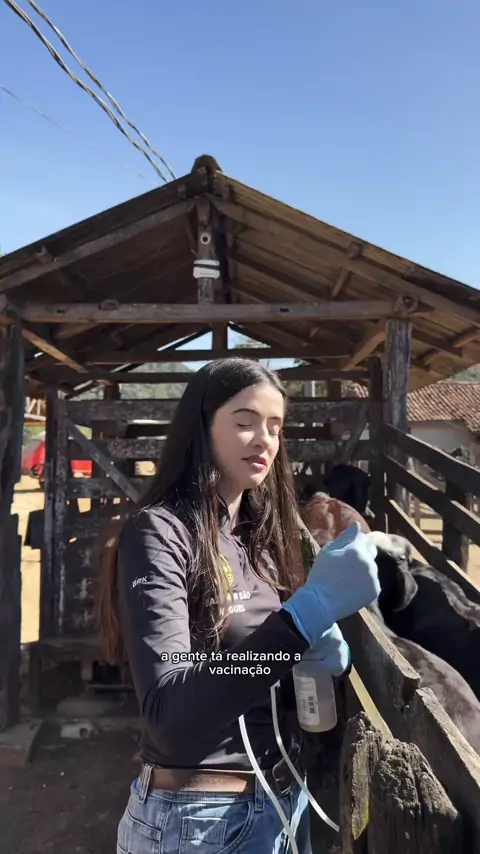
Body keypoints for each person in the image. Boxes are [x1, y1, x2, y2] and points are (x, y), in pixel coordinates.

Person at [97, 357, 380, 854]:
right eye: (245, 422)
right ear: (201, 426)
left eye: (275, 426)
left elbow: (253, 665)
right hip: (199, 820)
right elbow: (169, 715)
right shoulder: (160, 533)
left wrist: (308, 655)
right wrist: (300, 620)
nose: (264, 440)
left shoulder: (257, 538)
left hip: (283, 800)